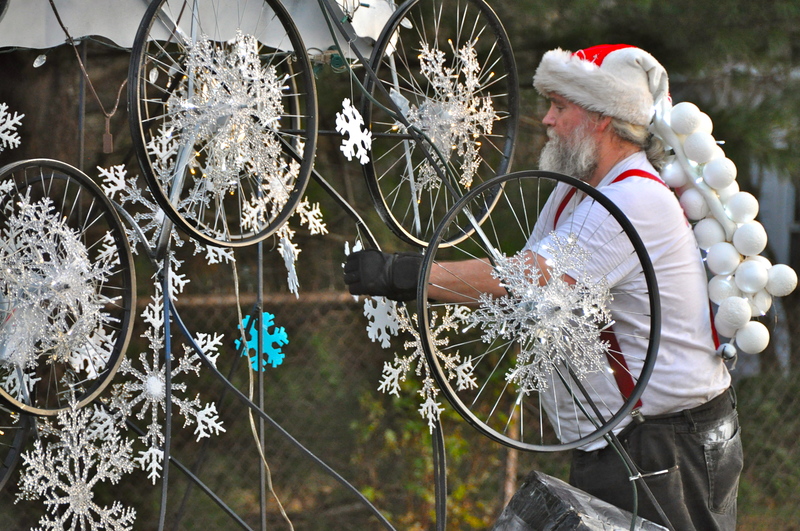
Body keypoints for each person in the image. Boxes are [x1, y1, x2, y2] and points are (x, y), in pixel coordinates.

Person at [344, 44, 742, 530]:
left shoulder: (635, 199)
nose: (546, 120)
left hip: (665, 444)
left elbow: (530, 280)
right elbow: (518, 279)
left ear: (602, 117)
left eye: (559, 106)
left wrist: (405, 275)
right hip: (621, 442)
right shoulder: (573, 191)